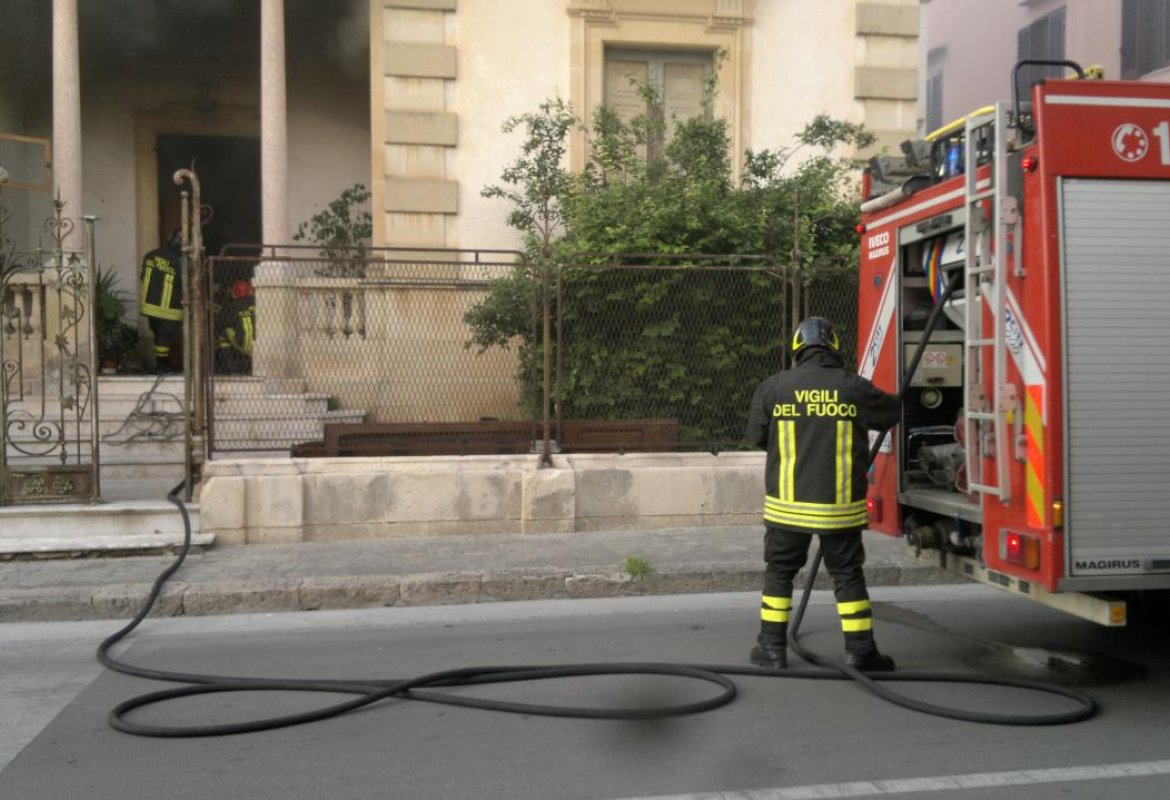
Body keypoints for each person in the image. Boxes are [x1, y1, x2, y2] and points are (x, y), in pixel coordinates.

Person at [744, 316, 900, 672]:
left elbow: (756, 437)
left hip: (786, 507)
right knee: (847, 575)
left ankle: (771, 648)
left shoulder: (773, 387)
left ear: (798, 348)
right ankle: (861, 652)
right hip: (839, 509)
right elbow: (891, 412)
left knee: (779, 573)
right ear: (833, 347)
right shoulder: (853, 388)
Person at [139, 229, 184, 372]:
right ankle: (162, 366)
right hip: (169, 308)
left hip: (150, 306)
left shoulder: (150, 255)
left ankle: (162, 364)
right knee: (165, 338)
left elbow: (143, 277)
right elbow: (187, 283)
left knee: (158, 335)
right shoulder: (179, 261)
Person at [215, 279, 255, 375]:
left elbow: (220, 325)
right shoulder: (259, 302)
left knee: (221, 334)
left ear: (234, 294)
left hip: (244, 345)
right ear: (250, 291)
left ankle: (229, 369)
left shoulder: (231, 307)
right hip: (263, 344)